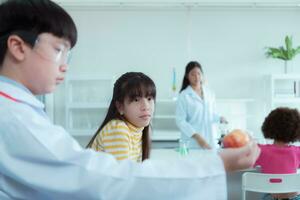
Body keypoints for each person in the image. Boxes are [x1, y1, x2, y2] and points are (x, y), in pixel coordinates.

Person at [0, 0, 260, 199]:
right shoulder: (13, 117)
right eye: (59, 50)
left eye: (150, 98)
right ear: (18, 47)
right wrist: (217, 164)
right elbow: (111, 180)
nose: (65, 66)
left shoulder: (20, 109)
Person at [86, 72, 154, 162]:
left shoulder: (139, 129)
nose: (146, 106)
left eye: (149, 98)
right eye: (136, 100)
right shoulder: (118, 128)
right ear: (120, 106)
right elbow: (123, 174)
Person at [176, 61, 227, 150]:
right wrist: (196, 136)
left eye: (199, 74)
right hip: (192, 142)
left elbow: (211, 114)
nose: (196, 77)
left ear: (202, 75)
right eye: (193, 74)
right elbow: (180, 121)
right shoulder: (184, 96)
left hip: (210, 140)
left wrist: (220, 118)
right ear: (187, 76)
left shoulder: (210, 93)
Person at [254, 107, 300, 200]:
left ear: (268, 126)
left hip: (271, 197)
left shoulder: (260, 150)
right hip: (294, 197)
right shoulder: (297, 151)